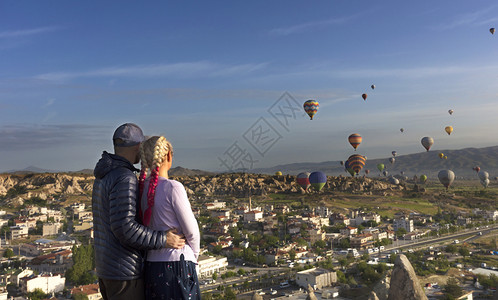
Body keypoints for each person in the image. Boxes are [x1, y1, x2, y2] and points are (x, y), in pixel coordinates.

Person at [92, 123, 186, 300]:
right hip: (124, 272)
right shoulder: (124, 177)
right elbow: (125, 228)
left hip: (107, 269)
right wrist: (164, 239)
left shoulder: (103, 175)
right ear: (138, 146)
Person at [139, 136, 201, 300]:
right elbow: (192, 232)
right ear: (168, 156)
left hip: (151, 267)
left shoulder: (140, 189)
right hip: (178, 266)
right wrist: (192, 258)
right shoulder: (173, 187)